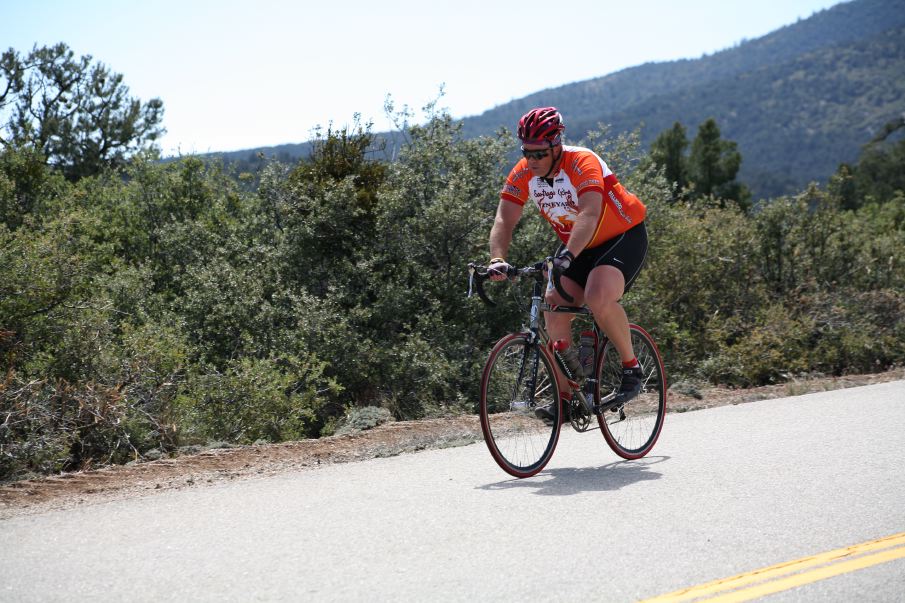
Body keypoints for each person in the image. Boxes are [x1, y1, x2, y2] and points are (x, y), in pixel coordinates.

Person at [487, 106, 648, 423]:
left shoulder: (582, 161)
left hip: (621, 235)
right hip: (579, 244)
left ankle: (632, 368)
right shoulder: (523, 173)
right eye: (527, 153)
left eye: (539, 154)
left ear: (556, 146)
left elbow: (589, 214)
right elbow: (504, 220)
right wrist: (497, 259)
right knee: (553, 311)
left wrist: (568, 256)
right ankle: (567, 396)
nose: (532, 161)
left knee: (598, 297)